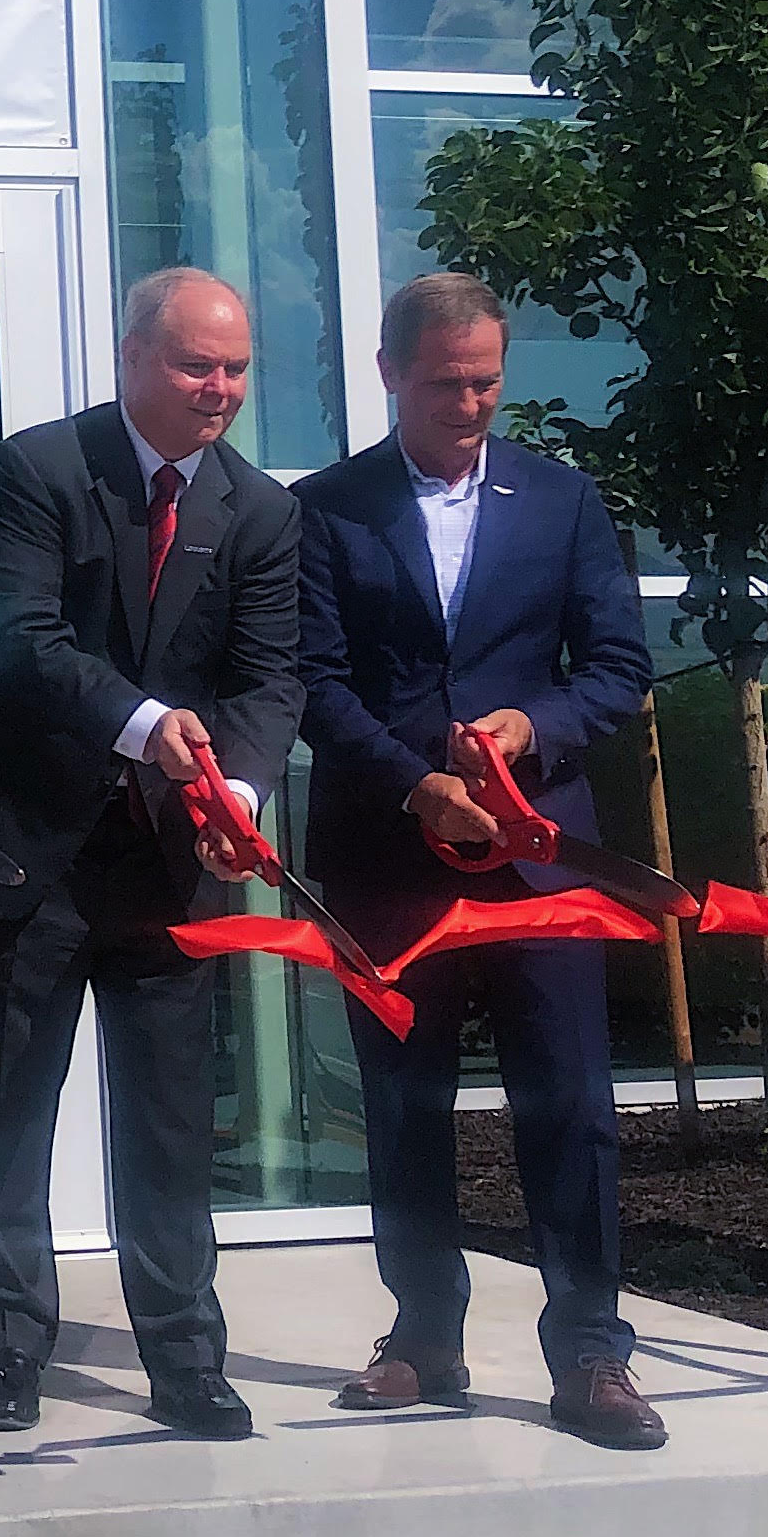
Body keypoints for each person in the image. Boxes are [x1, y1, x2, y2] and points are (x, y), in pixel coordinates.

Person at [296, 271, 664, 1450]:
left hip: (540, 859)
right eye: (450, 381)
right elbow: (312, 682)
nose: (473, 402)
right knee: (404, 1105)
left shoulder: (559, 500)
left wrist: (528, 730)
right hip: (385, 855)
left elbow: (616, 668)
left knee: (571, 1103)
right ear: (392, 373)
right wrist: (418, 783)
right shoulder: (325, 508)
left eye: (489, 380)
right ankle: (423, 1339)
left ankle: (593, 1356)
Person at [0, 267, 303, 1440]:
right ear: (137, 357)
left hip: (168, 866)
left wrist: (231, 792)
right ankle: (5, 1351)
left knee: (169, 1122)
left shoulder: (261, 510)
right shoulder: (40, 470)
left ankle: (186, 1359)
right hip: (24, 850)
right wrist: (149, 729)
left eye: (237, 368)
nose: (221, 389)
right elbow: (22, 636)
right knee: (6, 1115)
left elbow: (268, 675)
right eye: (200, 364)